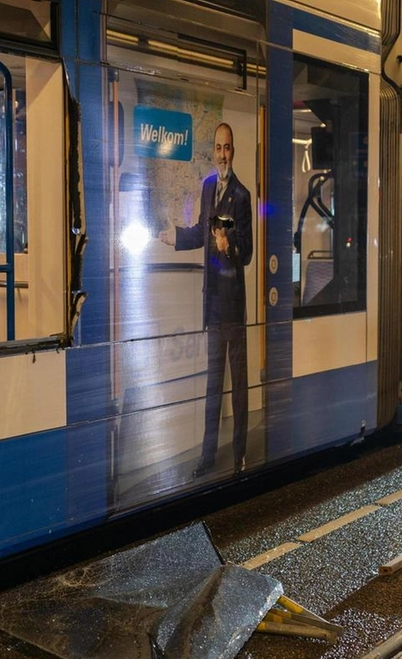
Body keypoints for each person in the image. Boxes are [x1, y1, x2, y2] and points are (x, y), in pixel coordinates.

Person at [160, 122, 253, 475]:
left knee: (239, 385)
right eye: (218, 147)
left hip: (233, 303)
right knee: (213, 383)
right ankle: (208, 456)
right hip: (212, 300)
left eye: (227, 148)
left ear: (234, 151)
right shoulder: (208, 187)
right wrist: (175, 238)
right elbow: (203, 230)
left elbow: (247, 252)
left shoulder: (242, 196)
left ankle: (240, 455)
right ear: (213, 152)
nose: (222, 154)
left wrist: (230, 246)